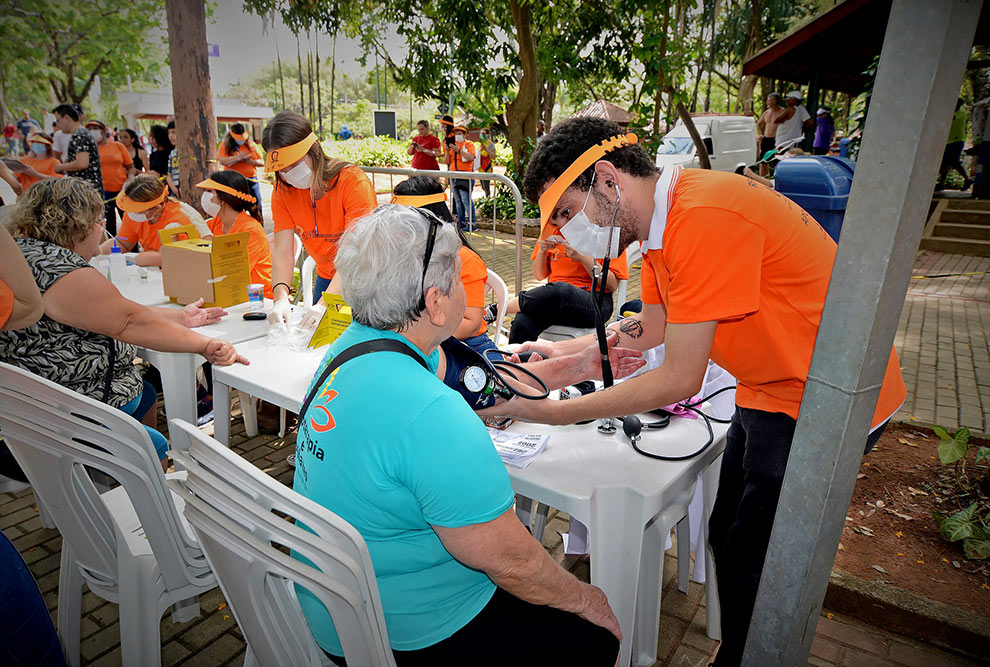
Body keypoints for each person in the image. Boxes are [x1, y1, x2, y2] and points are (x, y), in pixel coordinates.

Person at [484, 116, 907, 667]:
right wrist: (567, 360)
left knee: (759, 562)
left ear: (608, 180)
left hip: (825, 399)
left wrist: (549, 411)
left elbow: (679, 377)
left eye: (565, 212)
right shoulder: (661, 225)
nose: (563, 232)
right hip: (770, 385)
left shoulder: (702, 218)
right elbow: (654, 325)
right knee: (725, 529)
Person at [293, 204, 621, 666]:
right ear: (434, 301)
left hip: (337, 600)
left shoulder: (354, 345)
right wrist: (587, 599)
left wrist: (577, 366)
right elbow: (513, 562)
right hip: (406, 631)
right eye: (456, 277)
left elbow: (487, 387)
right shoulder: (431, 413)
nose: (466, 290)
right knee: (593, 635)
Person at [0, 178, 248, 471]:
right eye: (98, 221)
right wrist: (205, 345)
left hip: (30, 402)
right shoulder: (64, 271)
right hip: (71, 410)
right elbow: (127, 321)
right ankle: (152, 486)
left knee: (144, 394)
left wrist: (179, 318)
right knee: (152, 440)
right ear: (81, 224)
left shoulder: (22, 253)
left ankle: (124, 479)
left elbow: (114, 312)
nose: (101, 229)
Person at [262, 110, 377, 323]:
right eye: (281, 169)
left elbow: (358, 252)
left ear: (313, 150)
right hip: (326, 278)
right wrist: (280, 299)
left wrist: (325, 305)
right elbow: (284, 250)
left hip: (363, 281)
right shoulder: (282, 191)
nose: (288, 173)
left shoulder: (352, 182)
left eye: (293, 164)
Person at [392, 176, 495, 356]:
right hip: (418, 343)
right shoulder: (402, 256)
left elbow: (471, 325)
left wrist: (415, 333)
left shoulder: (464, 259)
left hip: (467, 347)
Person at [491, 215, 629, 345]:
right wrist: (542, 251)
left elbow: (612, 285)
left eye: (566, 212)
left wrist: (582, 257)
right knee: (522, 322)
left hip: (596, 303)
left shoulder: (607, 234)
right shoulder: (552, 230)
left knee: (561, 290)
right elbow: (539, 275)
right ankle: (518, 367)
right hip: (555, 300)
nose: (561, 219)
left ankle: (500, 309)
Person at [101, 173, 205, 267]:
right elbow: (122, 243)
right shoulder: (133, 215)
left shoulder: (177, 219)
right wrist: (98, 251)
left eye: (137, 210)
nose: (131, 213)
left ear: (157, 208)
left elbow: (165, 258)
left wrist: (132, 259)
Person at [197, 170, 273, 297]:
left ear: (224, 197)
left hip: (255, 299)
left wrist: (208, 240)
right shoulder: (215, 223)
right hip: (225, 293)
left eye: (210, 191)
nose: (204, 196)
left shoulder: (250, 231)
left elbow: (233, 272)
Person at [87, 119, 135, 236]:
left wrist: (130, 178)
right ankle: (112, 248)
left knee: (128, 219)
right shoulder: (90, 150)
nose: (93, 131)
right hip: (103, 191)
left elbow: (130, 166)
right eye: (90, 129)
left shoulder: (118, 146)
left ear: (103, 131)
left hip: (122, 189)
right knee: (109, 222)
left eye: (95, 129)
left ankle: (133, 248)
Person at [51, 103, 103, 195]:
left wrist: (60, 167)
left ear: (67, 118)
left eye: (58, 120)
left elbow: (82, 163)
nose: (58, 125)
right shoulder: (81, 134)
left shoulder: (80, 135)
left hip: (86, 191)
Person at [217, 123, 265, 218]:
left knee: (256, 206)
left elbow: (262, 162)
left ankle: (259, 226)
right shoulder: (225, 146)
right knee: (235, 208)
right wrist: (238, 158)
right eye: (239, 139)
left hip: (251, 181)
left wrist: (250, 161)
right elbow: (222, 160)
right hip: (233, 182)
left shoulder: (251, 145)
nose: (241, 141)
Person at [446, 124, 476, 231]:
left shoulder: (468, 145)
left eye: (460, 133)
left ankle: (472, 224)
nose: (457, 135)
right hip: (454, 175)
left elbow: (471, 157)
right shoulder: (452, 145)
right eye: (456, 133)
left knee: (466, 200)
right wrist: (446, 151)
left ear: (465, 135)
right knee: (458, 201)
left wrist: (459, 150)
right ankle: (462, 223)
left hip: (465, 176)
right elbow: (447, 161)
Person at [938, 98, 971, 191]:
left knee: (954, 161)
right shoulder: (952, 112)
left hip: (957, 140)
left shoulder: (961, 113)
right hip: (948, 140)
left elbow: (950, 118)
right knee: (945, 162)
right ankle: (941, 184)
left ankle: (967, 179)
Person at [756, 93, 781, 176]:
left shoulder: (782, 111)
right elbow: (759, 124)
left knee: (776, 160)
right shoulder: (766, 112)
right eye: (767, 100)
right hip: (766, 139)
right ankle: (762, 178)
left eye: (770, 100)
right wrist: (760, 134)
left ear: (775, 101)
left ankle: (775, 177)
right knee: (763, 161)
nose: (768, 102)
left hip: (776, 140)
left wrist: (779, 136)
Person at [475, 128, 497, 197]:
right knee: (483, 186)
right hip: (480, 168)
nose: (482, 135)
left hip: (487, 168)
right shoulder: (480, 144)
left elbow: (493, 156)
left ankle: (488, 198)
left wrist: (486, 149)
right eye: (481, 134)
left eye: (484, 134)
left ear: (488, 135)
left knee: (486, 186)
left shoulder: (490, 144)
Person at [166, 120, 180, 197]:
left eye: (173, 132)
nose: (170, 136)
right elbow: (169, 175)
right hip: (175, 192)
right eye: (169, 133)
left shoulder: (187, 153)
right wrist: (174, 189)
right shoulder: (172, 153)